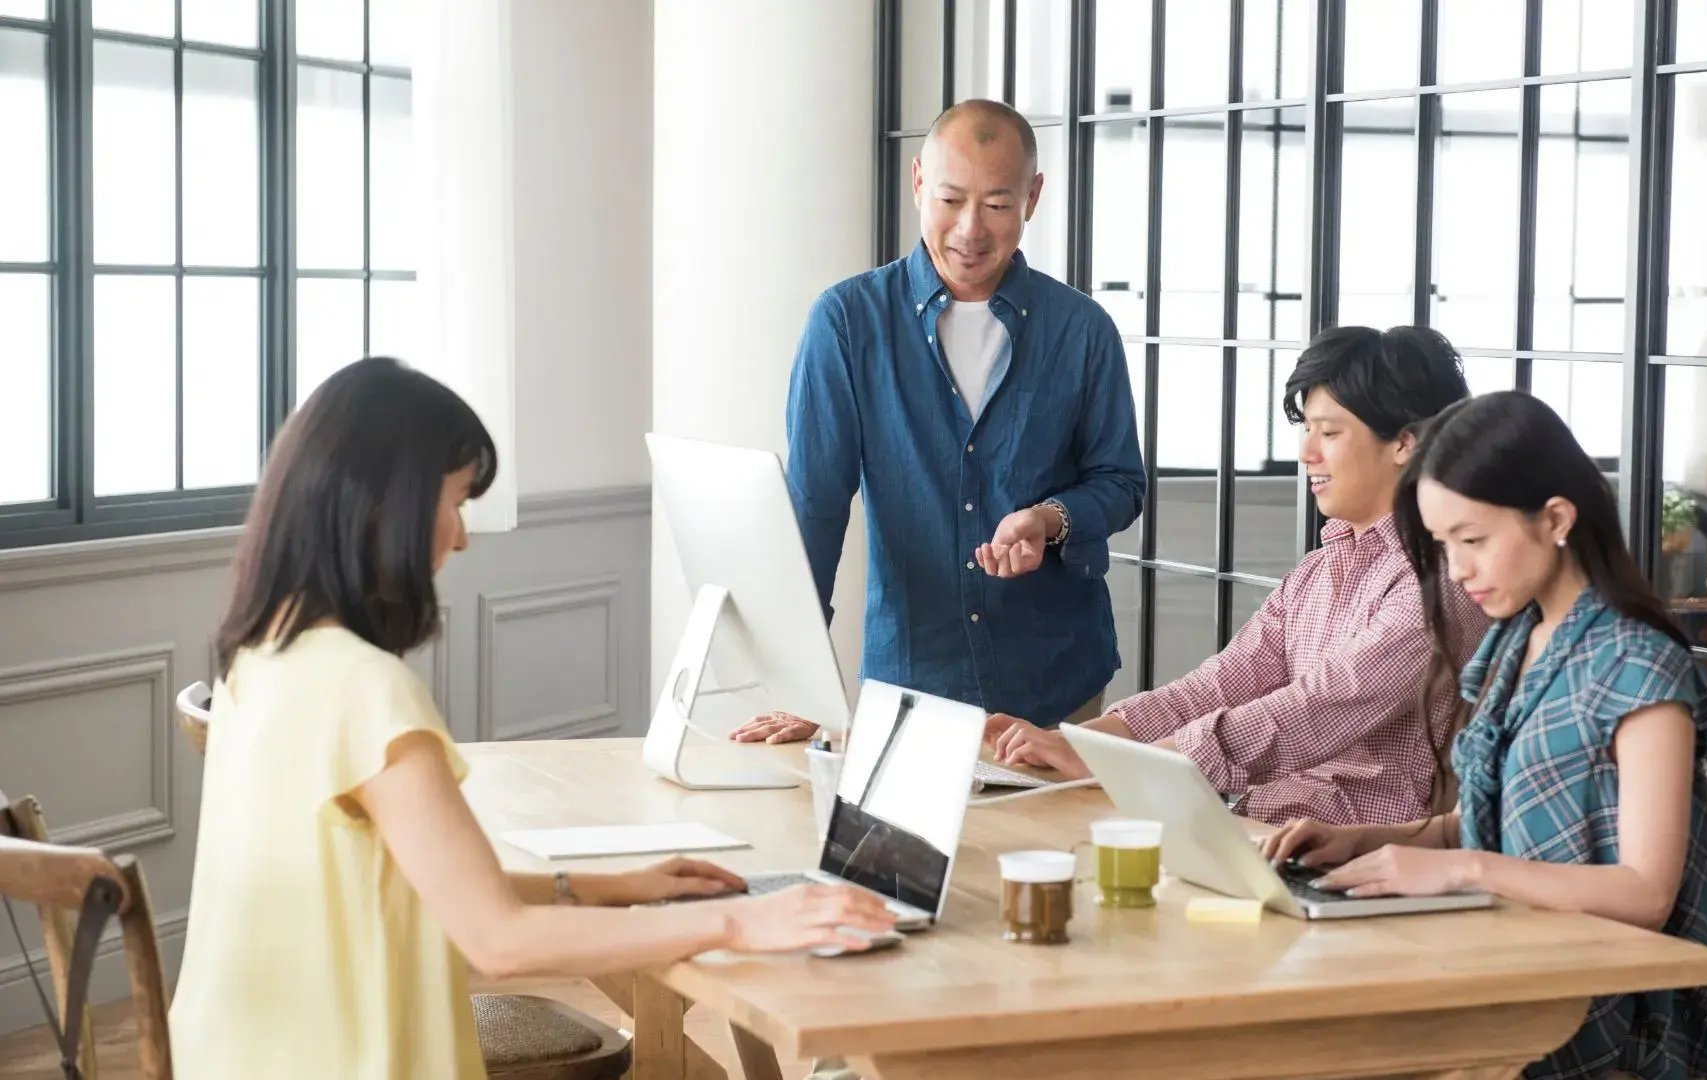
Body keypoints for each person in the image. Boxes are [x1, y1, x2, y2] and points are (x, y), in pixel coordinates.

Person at [169, 358, 894, 1078]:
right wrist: (743, 921)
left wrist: (615, 887)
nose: (459, 537)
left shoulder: (261, 657)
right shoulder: (365, 690)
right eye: (454, 502)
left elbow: (424, 881)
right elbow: (496, 942)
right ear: (383, 506)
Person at [1265, 391, 1707, 1080]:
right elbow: (1490, 826)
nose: (1458, 569)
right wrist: (1369, 839)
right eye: (1442, 546)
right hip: (1515, 964)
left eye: (1474, 541)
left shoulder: (1640, 665)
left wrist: (1460, 869)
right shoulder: (1518, 639)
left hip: (1615, 1014)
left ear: (1555, 519)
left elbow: (1646, 894)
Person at [728, 99, 1145, 747]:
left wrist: (1050, 518)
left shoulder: (1082, 330)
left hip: (1057, 683)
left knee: (1050, 850)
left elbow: (1119, 481)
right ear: (919, 181)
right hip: (914, 685)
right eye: (951, 200)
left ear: (1033, 197)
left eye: (999, 205)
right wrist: (805, 686)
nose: (971, 230)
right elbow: (815, 506)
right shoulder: (846, 323)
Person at [990, 325, 1488, 827]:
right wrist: (1083, 741)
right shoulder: (1321, 568)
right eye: (1306, 430)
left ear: (1404, 442)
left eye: (1329, 433)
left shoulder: (1441, 577)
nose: (1306, 452)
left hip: (1345, 852)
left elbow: (1320, 706)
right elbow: (1222, 683)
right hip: (1258, 824)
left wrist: (1127, 763)